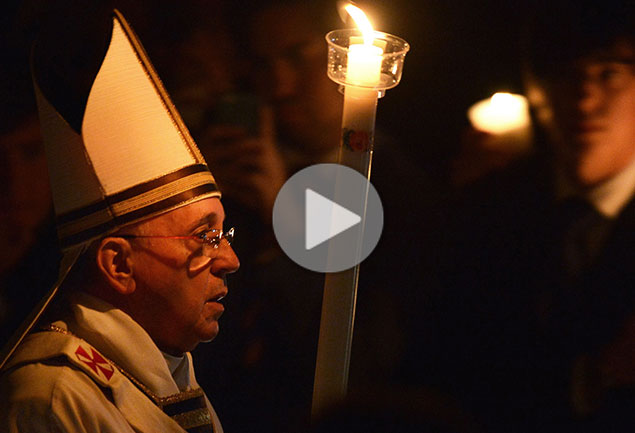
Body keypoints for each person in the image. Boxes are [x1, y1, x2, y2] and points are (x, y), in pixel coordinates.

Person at [0, 6, 239, 432]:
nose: (230, 259)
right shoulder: (54, 397)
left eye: (223, 233)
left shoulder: (171, 375)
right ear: (118, 264)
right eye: (205, 237)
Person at [402, 1, 635, 432]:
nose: (584, 97)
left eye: (609, 73)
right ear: (536, 87)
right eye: (566, 73)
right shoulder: (486, 211)